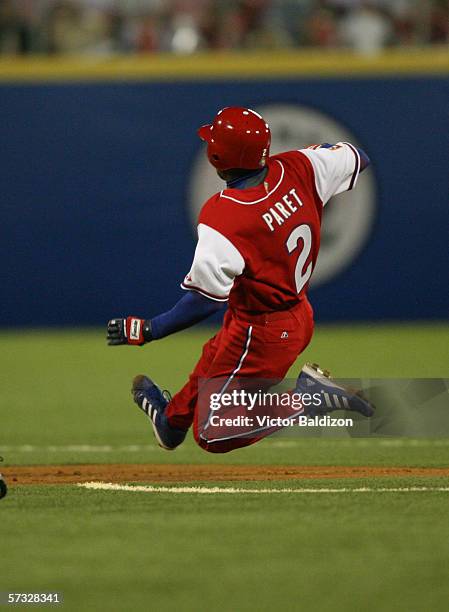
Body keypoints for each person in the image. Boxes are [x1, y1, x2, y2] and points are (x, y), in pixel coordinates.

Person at [107, 106, 374, 453]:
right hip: (283, 312)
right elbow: (359, 157)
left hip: (266, 331)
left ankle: (308, 399)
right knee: (213, 358)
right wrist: (306, 169)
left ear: (218, 156)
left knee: (213, 432)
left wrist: (148, 329)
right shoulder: (300, 166)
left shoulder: (225, 215)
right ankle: (171, 422)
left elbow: (203, 299)